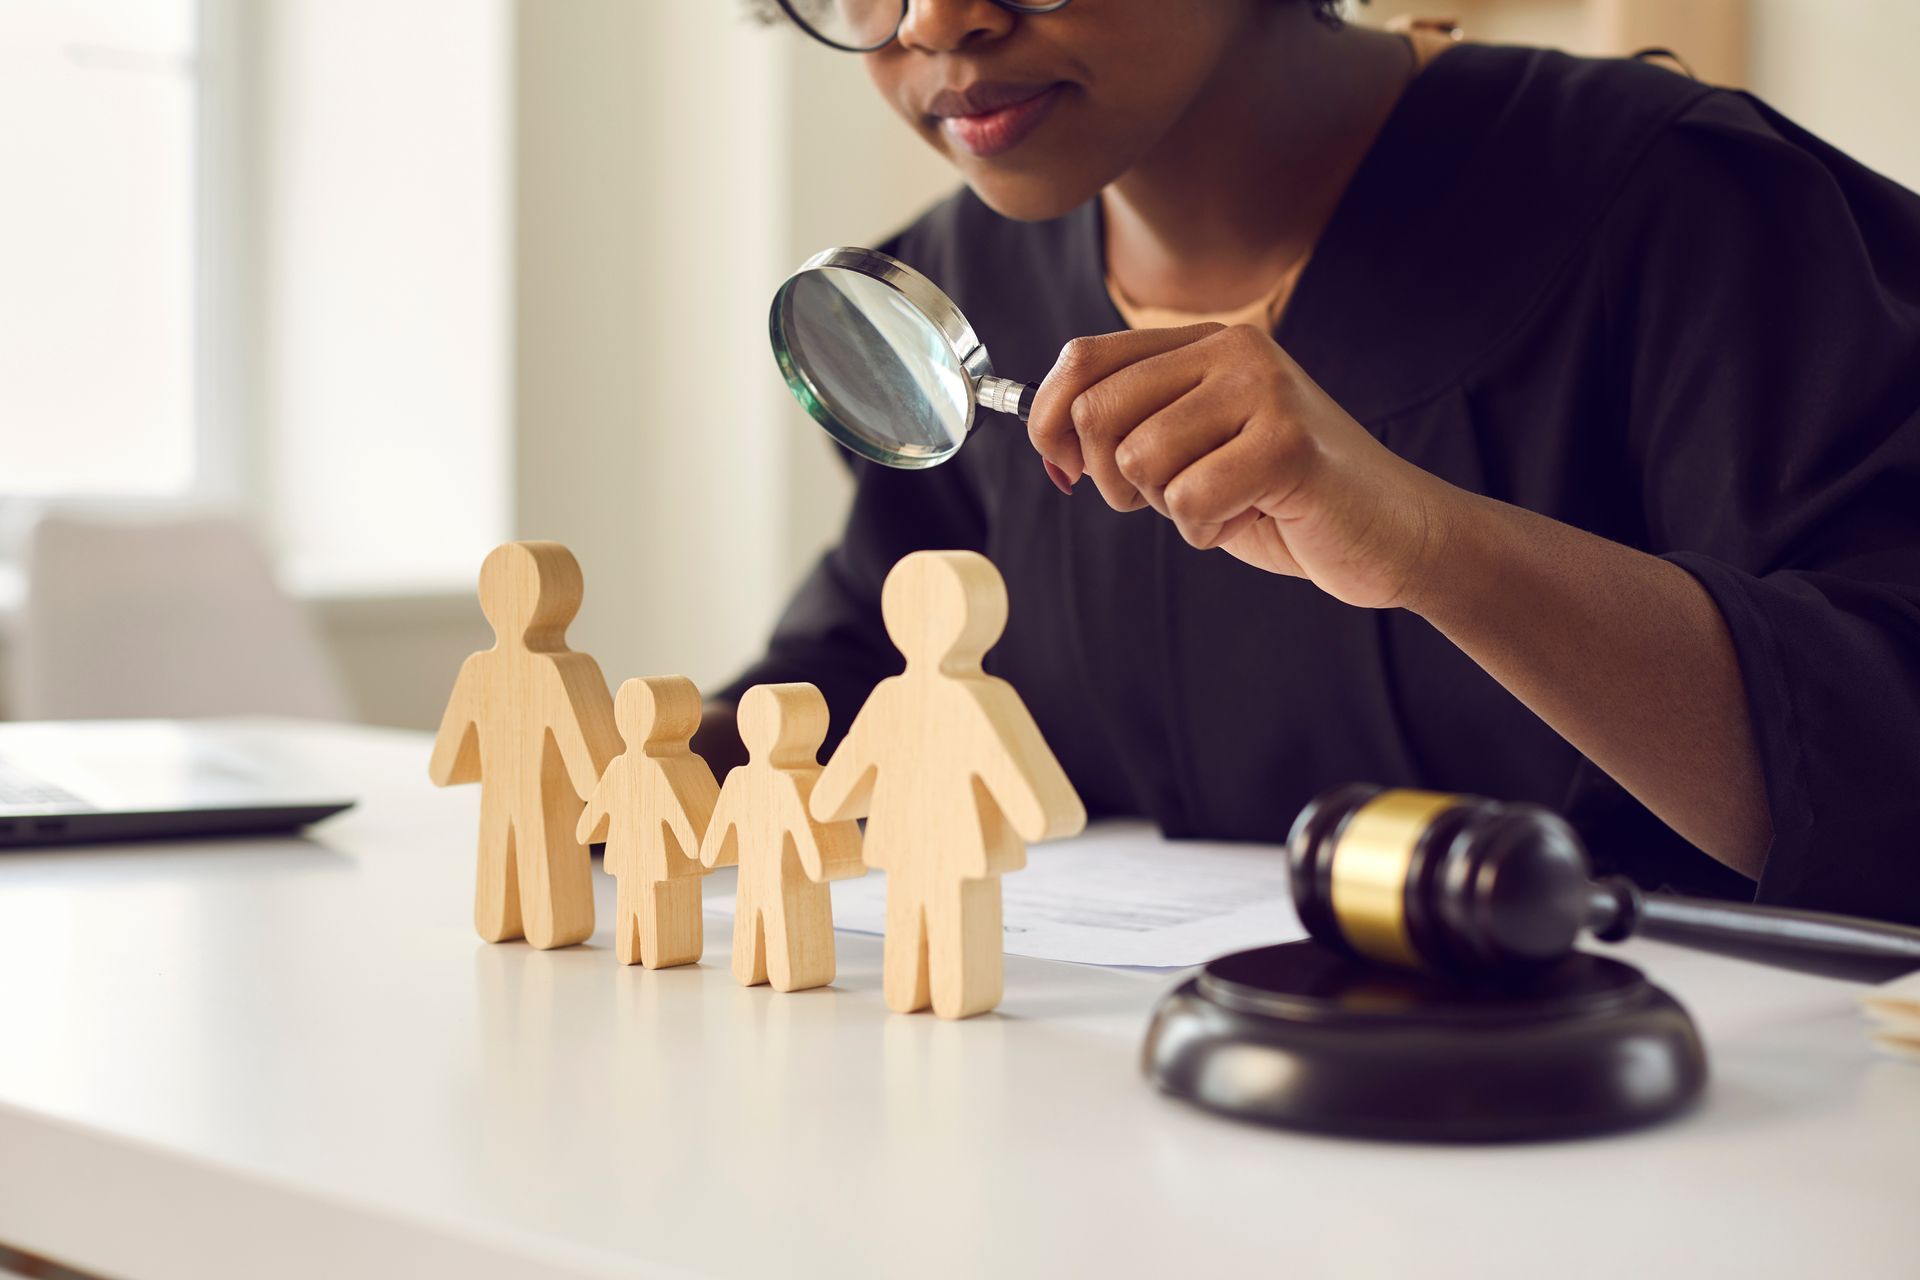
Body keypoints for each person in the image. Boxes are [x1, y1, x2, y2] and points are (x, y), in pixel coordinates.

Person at [703, 0, 1920, 924]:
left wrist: (1428, 543)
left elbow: (1884, 755)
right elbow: (880, 668)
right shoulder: (951, 299)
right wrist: (644, 754)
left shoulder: (1694, 208)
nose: (934, 24)